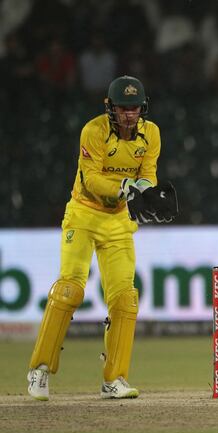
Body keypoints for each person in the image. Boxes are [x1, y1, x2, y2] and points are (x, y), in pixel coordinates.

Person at [27, 75, 177, 401]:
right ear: (110, 108)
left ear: (143, 108)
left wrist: (146, 191)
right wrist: (125, 187)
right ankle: (39, 369)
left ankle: (115, 379)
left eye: (134, 108)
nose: (129, 115)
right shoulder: (93, 131)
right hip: (83, 214)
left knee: (125, 298)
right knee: (69, 290)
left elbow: (147, 172)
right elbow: (92, 179)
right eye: (123, 109)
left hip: (118, 222)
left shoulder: (151, 134)